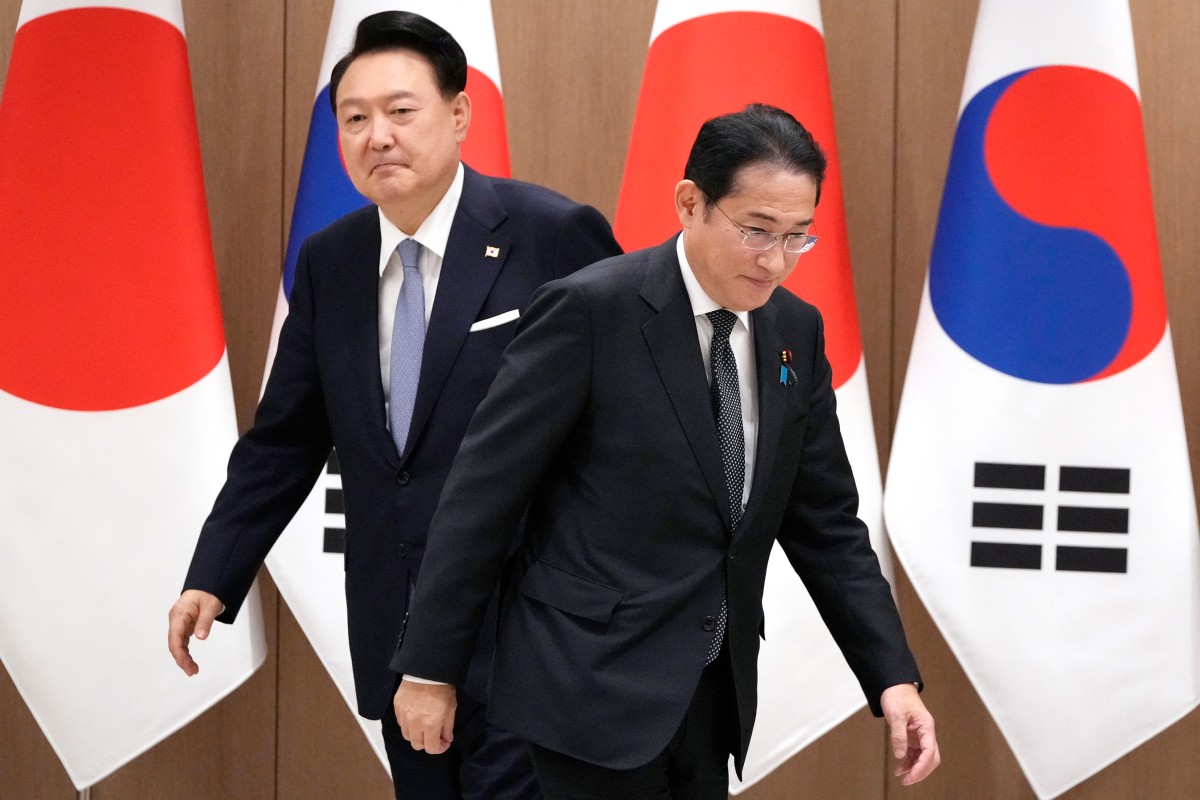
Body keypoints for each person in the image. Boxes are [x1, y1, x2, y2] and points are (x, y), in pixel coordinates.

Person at [391, 104, 939, 799]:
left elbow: (827, 524)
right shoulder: (591, 311)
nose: (775, 259)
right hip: (586, 686)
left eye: (798, 236)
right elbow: (482, 497)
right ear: (691, 203)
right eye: (757, 231)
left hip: (711, 693)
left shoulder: (795, 330)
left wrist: (892, 677)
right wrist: (430, 669)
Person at [167, 11, 621, 800]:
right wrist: (216, 570)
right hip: (398, 634)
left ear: (459, 113)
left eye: (400, 111)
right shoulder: (331, 263)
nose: (377, 135)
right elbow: (284, 439)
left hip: (534, 634)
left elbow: (626, 420)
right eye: (354, 118)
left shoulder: (552, 236)